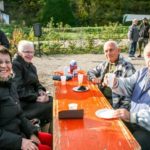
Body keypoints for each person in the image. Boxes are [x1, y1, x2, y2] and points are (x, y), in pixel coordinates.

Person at [0, 46, 52, 150]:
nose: (4, 65)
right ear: (19, 53)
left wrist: (31, 132)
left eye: (7, 62)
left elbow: (19, 114)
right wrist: (20, 142)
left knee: (51, 140)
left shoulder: (10, 84)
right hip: (9, 142)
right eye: (0, 62)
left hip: (19, 132)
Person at [103, 42, 150, 150]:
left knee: (130, 145)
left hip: (146, 129)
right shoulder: (143, 72)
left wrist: (132, 116)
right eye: (148, 55)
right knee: (108, 129)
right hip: (132, 121)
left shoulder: (126, 66)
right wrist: (115, 83)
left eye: (111, 50)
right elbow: (128, 84)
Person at [12, 40, 53, 128]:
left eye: (32, 52)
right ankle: (37, 127)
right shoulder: (15, 65)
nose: (30, 54)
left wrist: (41, 90)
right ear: (19, 52)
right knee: (51, 105)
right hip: (23, 102)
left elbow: (37, 83)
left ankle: (44, 127)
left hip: (32, 97)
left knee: (53, 101)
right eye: (27, 52)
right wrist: (37, 98)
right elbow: (18, 90)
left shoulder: (31, 66)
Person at [87, 40, 136, 109]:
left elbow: (132, 93)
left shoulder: (127, 67)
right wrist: (93, 78)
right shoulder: (105, 63)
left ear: (118, 50)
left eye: (111, 50)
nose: (108, 53)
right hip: (102, 97)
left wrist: (121, 110)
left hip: (115, 104)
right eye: (106, 51)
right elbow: (90, 72)